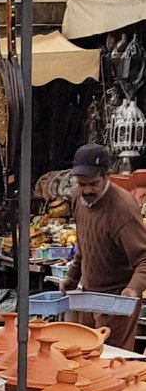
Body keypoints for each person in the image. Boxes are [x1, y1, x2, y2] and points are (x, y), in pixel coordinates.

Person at [63, 143, 146, 347]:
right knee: (83, 352)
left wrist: (133, 289)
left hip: (117, 299)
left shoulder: (123, 208)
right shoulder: (78, 198)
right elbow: (84, 245)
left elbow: (144, 258)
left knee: (110, 357)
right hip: (88, 294)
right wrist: (72, 277)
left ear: (106, 176)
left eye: (93, 183)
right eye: (81, 184)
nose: (87, 190)